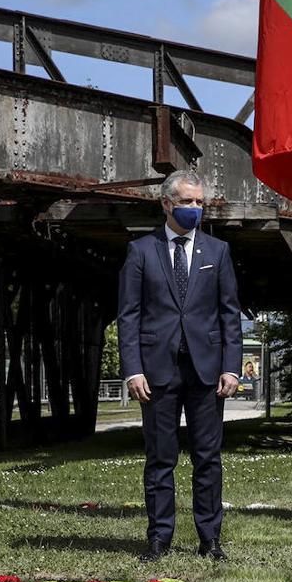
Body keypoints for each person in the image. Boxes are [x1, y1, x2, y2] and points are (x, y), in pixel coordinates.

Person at [118, 170, 243, 562]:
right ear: (167, 203)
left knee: (208, 458)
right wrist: (133, 369)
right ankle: (158, 539)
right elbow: (129, 315)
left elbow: (229, 314)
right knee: (160, 458)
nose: (195, 209)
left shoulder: (217, 252)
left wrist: (232, 367)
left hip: (207, 372)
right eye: (187, 201)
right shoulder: (141, 251)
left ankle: (210, 539)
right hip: (156, 372)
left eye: (199, 202)